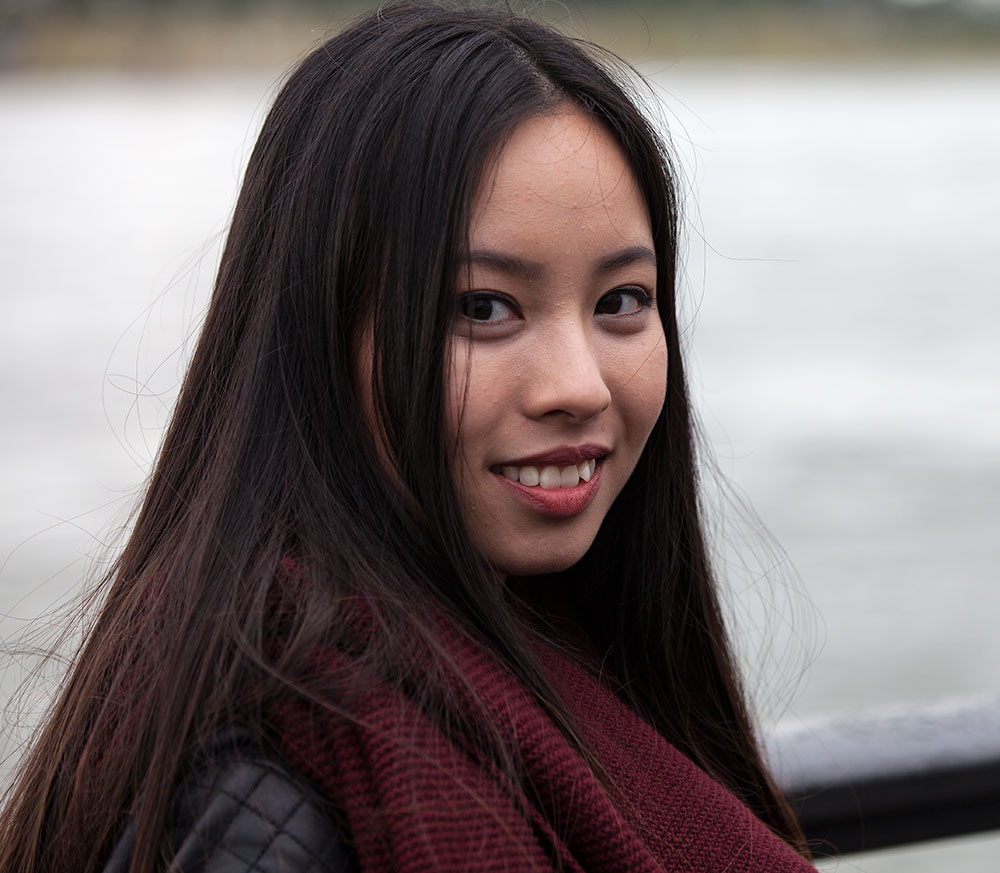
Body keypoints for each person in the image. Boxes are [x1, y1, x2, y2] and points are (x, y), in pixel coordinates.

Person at [0, 3, 817, 871]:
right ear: (319, 331)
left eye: (622, 301)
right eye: (483, 308)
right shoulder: (262, 789)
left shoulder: (574, 652)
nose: (579, 385)